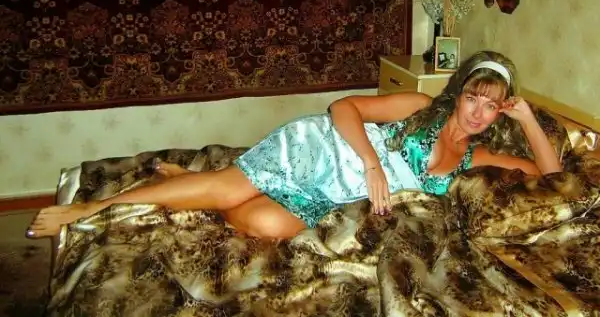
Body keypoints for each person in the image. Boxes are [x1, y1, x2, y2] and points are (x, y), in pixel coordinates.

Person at [26, 51, 562, 240]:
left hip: (328, 194)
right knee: (227, 190)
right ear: (458, 92)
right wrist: (372, 165)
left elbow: (553, 176)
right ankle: (89, 208)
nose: (477, 112)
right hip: (322, 149)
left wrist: (528, 117)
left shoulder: (475, 157)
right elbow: (342, 108)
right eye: (473, 97)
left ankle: (199, 185)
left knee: (263, 224)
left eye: (491, 105)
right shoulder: (421, 107)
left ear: (499, 112)